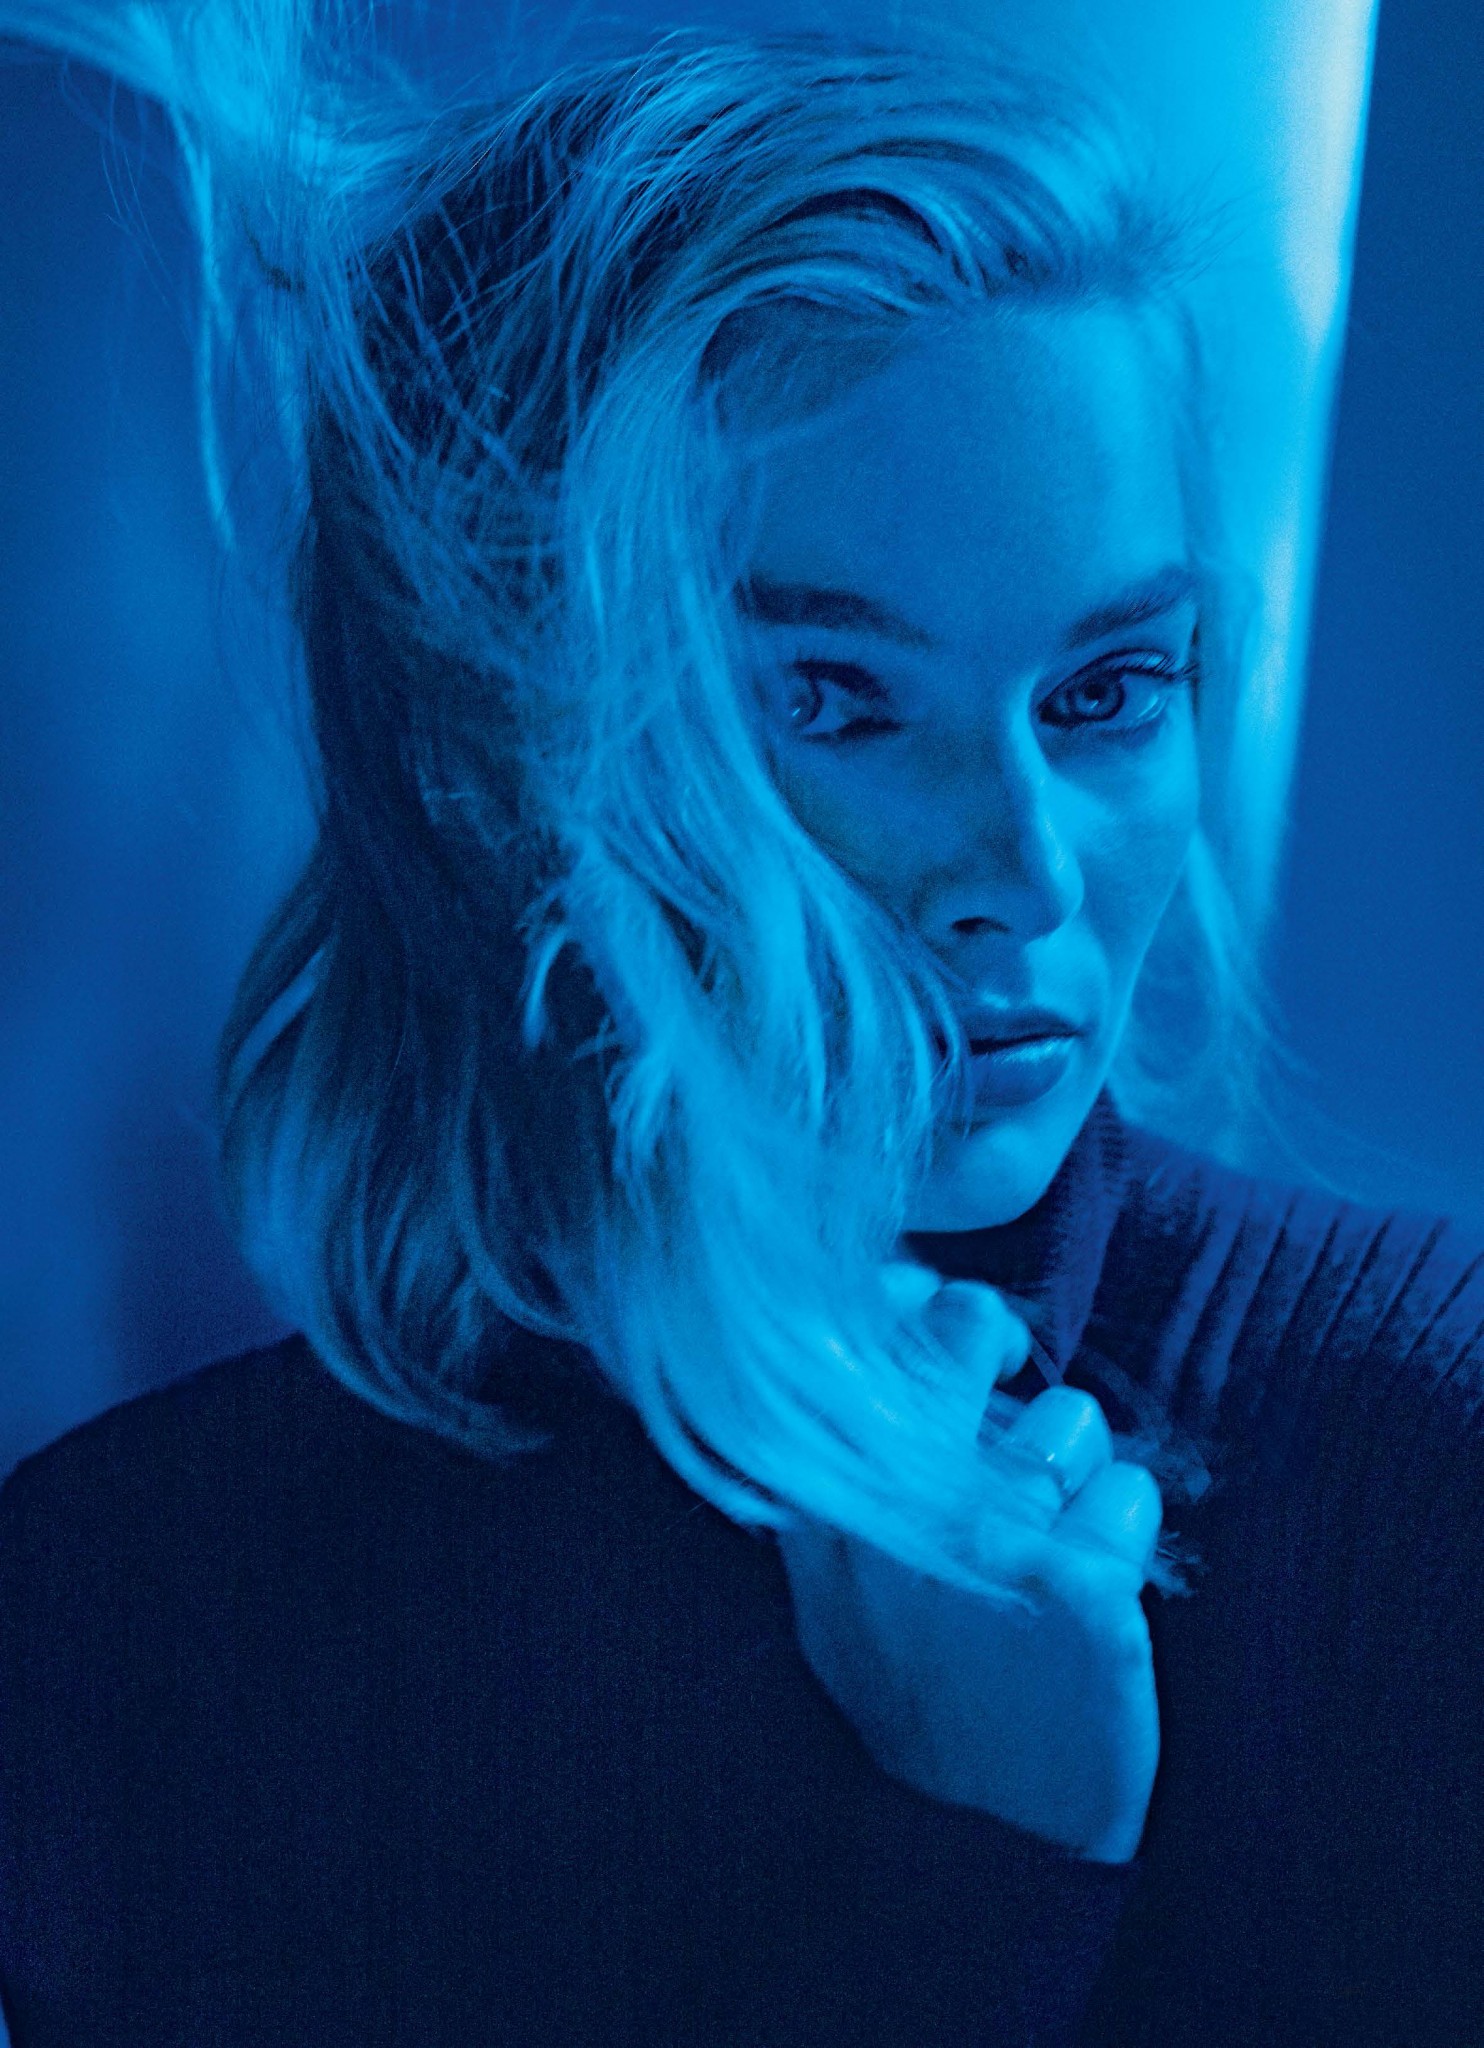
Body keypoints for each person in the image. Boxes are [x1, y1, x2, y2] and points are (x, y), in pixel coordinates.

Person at [0, 14, 1480, 2047]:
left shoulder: (1424, 1467)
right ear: (503, 747)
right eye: (834, 699)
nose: (1026, 874)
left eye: (1105, 691)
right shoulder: (119, 1613)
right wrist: (977, 1873)